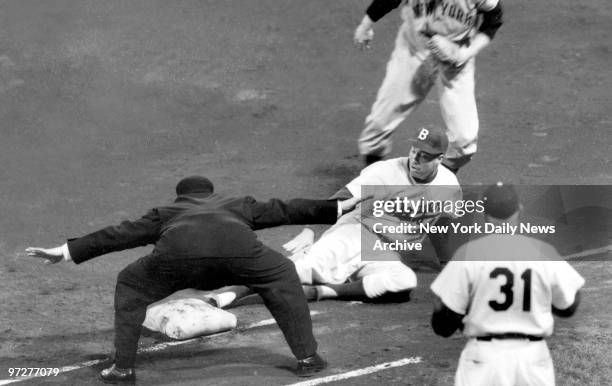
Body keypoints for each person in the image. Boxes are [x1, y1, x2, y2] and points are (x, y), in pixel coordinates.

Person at [26, 176, 358, 384]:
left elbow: (119, 234)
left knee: (130, 284)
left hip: (178, 259)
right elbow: (287, 209)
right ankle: (308, 359)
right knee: (282, 274)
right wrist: (337, 207)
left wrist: (66, 251)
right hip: (241, 256)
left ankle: (123, 370)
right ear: (210, 192)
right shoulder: (236, 205)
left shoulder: (167, 212)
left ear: (179, 196)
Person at [210, 125, 461, 306]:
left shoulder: (449, 188)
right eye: (414, 150)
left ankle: (324, 292)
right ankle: (234, 291)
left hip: (383, 251)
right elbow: (342, 199)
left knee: (403, 281)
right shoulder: (384, 173)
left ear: (440, 159)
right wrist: (310, 228)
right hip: (355, 232)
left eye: (424, 156)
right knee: (304, 268)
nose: (415, 158)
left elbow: (447, 228)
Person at [353, 0, 503, 172]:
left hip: (456, 56)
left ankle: (437, 179)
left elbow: (492, 22)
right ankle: (374, 175)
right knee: (378, 125)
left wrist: (463, 54)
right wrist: (365, 25)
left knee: (465, 140)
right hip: (414, 49)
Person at [430, 182, 585, 386]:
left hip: (483, 358)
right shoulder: (543, 252)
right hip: (532, 358)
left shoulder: (468, 254)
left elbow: (443, 324)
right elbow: (568, 307)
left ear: (484, 215)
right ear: (519, 209)